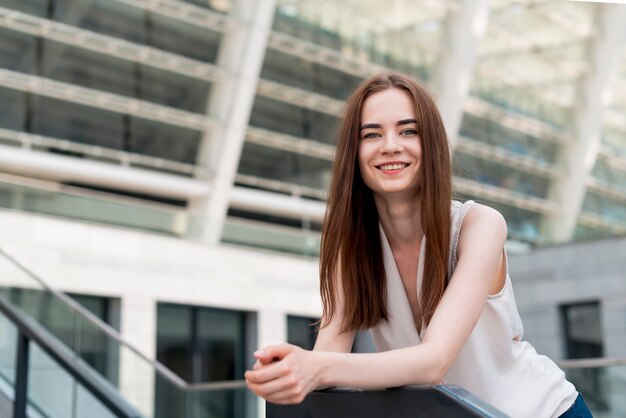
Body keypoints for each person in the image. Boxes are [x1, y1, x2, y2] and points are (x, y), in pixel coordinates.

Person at [245, 73, 592, 418]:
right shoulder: (351, 247)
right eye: (372, 134)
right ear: (354, 151)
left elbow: (433, 362)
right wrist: (288, 372)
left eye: (408, 131)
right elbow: (328, 350)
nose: (390, 145)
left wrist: (316, 368)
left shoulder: (480, 225)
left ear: (432, 145)